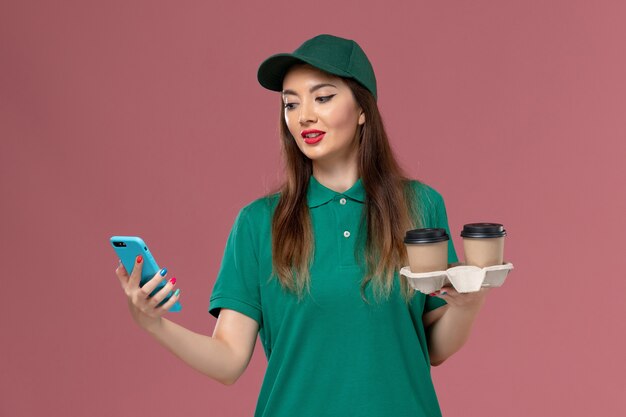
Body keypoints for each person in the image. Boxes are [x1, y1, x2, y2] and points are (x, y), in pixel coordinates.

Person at [115, 34, 490, 417]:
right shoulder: (258, 223)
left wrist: (468, 305)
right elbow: (228, 360)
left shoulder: (420, 205)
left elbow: (434, 346)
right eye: (290, 104)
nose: (303, 115)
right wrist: (153, 324)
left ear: (363, 108)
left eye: (322, 98)